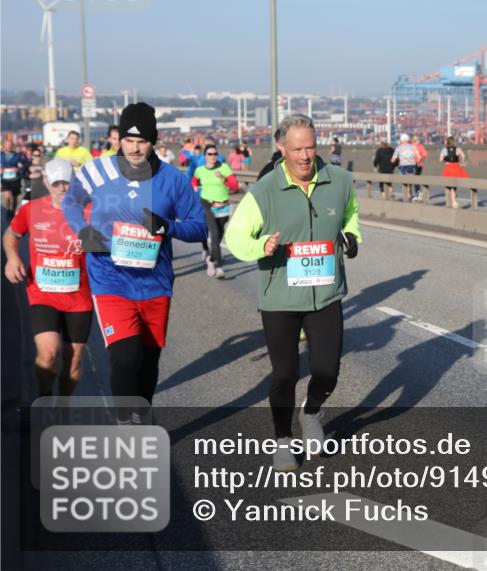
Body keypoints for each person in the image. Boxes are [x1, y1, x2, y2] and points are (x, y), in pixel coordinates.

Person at [225, 114, 361, 471]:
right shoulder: (264, 191)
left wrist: (352, 235)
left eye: (310, 147)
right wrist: (261, 246)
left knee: (327, 371)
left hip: (326, 293)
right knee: (285, 374)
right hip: (280, 298)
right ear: (282, 148)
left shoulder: (340, 180)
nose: (305, 156)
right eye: (297, 149)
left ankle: (311, 412)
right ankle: (283, 438)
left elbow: (350, 213)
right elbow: (234, 236)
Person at [62, 103, 208, 423]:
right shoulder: (97, 170)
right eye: (128, 140)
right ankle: (125, 422)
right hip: (109, 278)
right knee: (125, 358)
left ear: (154, 141)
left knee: (148, 362)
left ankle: (141, 413)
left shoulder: (173, 179)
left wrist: (168, 227)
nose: (135, 148)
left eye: (142, 141)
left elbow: (200, 227)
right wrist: (83, 230)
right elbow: (71, 202)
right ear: (119, 139)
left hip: (155, 282)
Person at [4, 159, 93, 399]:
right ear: (45, 182)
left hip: (79, 298)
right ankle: (43, 396)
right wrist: (12, 257)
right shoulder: (31, 209)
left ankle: (62, 407)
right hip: (42, 294)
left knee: (73, 360)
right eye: (56, 183)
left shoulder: (90, 211)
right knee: (49, 354)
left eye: (66, 182)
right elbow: (11, 235)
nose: (61, 188)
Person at [192, 145, 239, 278]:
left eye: (215, 154)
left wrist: (223, 178)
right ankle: (219, 267)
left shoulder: (224, 167)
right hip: (207, 204)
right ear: (205, 156)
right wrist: (194, 186)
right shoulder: (200, 170)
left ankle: (212, 259)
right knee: (214, 234)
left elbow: (235, 186)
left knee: (218, 236)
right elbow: (194, 179)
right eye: (210, 154)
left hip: (223, 205)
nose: (213, 156)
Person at [439, 136, 469, 209]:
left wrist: (446, 159)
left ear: (447, 142)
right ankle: (454, 201)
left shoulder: (444, 149)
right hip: (456, 167)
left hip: (448, 168)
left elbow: (440, 160)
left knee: (447, 186)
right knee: (453, 186)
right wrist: (461, 162)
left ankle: (451, 201)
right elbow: (463, 156)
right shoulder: (458, 149)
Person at [1, 137, 28, 212]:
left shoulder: (17, 155)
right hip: (5, 179)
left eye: (10, 144)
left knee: (14, 199)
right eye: (7, 144)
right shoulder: (1, 155)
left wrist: (18, 169)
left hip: (15, 179)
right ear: (4, 145)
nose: (8, 146)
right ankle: (7, 211)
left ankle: (12, 212)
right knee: (7, 197)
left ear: (12, 146)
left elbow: (24, 164)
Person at [391, 134, 419, 202]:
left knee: (404, 182)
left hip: (403, 166)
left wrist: (392, 161)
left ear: (401, 140)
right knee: (410, 181)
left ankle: (407, 195)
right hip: (412, 165)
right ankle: (410, 192)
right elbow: (418, 156)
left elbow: (393, 159)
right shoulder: (413, 146)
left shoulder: (398, 147)